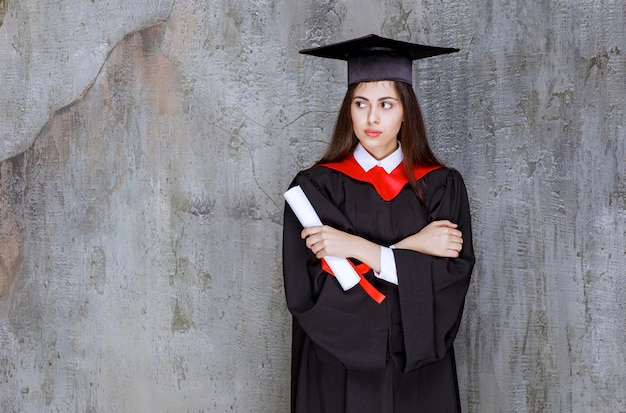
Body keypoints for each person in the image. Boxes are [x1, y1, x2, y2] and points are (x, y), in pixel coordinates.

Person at [283, 34, 475, 413]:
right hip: (336, 372)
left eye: (386, 104)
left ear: (406, 111)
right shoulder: (314, 189)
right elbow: (311, 293)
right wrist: (415, 247)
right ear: (348, 110)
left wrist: (357, 249)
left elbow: (448, 282)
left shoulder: (440, 186)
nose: (372, 118)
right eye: (361, 103)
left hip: (417, 379)